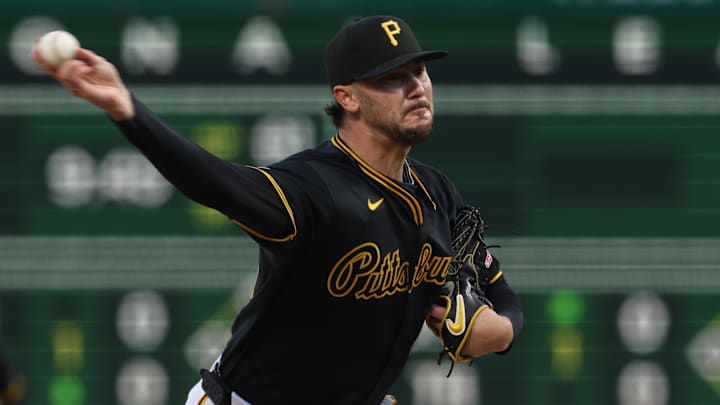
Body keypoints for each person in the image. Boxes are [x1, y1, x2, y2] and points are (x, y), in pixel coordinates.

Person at [34, 15, 523, 405]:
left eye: (418, 70)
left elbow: (508, 306)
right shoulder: (314, 189)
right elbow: (213, 181)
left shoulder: (440, 194)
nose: (415, 86)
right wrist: (127, 110)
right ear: (346, 97)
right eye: (391, 78)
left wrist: (495, 334)